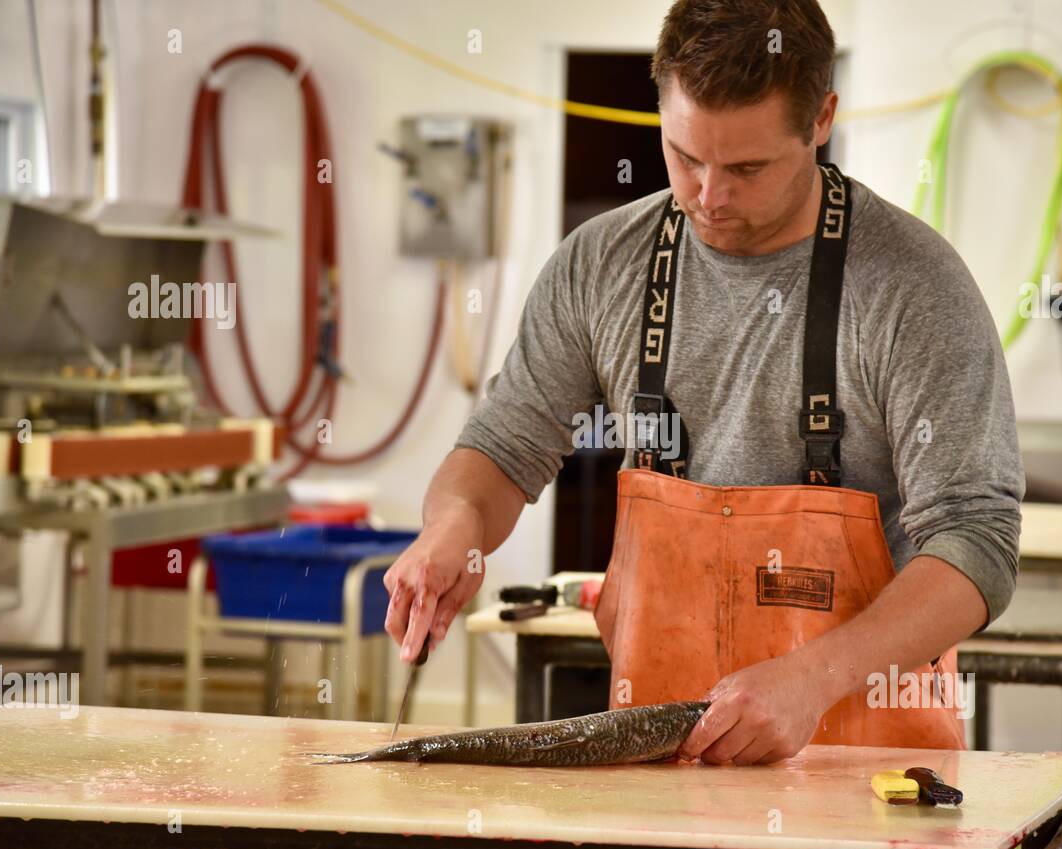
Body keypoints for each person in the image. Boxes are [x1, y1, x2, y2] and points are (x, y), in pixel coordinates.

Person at [383, 0, 1024, 765]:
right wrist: (452, 527)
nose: (709, 197)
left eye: (747, 168)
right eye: (685, 156)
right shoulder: (600, 267)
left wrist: (813, 678)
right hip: (660, 761)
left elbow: (977, 543)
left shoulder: (914, 290)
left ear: (821, 118)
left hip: (866, 768)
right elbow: (500, 448)